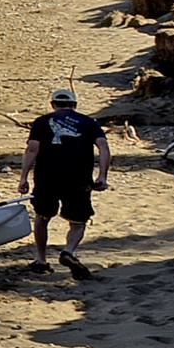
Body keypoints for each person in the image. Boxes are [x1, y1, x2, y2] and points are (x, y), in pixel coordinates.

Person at [21, 87, 111, 276]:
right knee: (78, 221)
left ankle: (41, 259)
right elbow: (103, 147)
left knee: (42, 217)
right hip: (78, 178)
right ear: (74, 105)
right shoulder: (88, 122)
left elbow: (32, 150)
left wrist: (23, 178)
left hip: (47, 178)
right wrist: (102, 175)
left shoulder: (41, 122)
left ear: (53, 104)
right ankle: (68, 251)